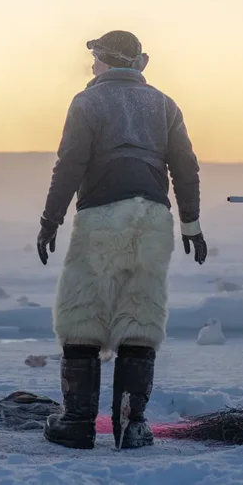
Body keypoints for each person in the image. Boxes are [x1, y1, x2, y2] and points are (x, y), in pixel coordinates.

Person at [36, 30, 206, 450]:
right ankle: (132, 426)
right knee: (139, 316)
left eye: (94, 57)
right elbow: (184, 167)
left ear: (106, 60)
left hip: (100, 217)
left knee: (83, 315)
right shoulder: (165, 105)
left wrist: (50, 220)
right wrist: (191, 224)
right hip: (152, 219)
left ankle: (78, 422)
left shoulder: (86, 102)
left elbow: (70, 165)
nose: (90, 65)